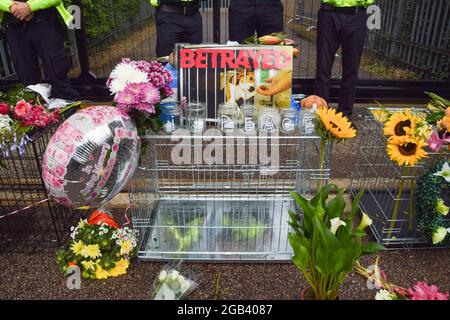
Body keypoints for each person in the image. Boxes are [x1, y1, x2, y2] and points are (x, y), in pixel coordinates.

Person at [0, 0, 79, 101]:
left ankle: (70, 106)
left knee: (57, 70)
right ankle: (34, 111)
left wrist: (30, 7)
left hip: (44, 19)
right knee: (26, 76)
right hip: (13, 23)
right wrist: (11, 7)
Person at [315, 0, 375, 119]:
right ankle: (321, 115)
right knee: (323, 67)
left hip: (356, 14)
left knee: (351, 70)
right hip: (328, 12)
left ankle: (345, 117)